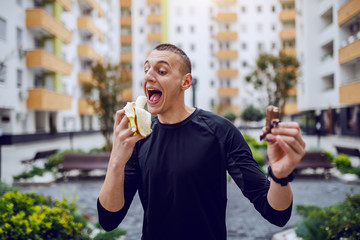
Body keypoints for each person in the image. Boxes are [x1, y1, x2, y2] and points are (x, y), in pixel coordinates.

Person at [97, 43, 306, 240]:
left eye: (161, 71)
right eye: (146, 70)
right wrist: (116, 159)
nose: (148, 76)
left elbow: (276, 214)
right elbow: (109, 219)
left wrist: (280, 177)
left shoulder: (220, 132)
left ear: (186, 82)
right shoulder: (140, 138)